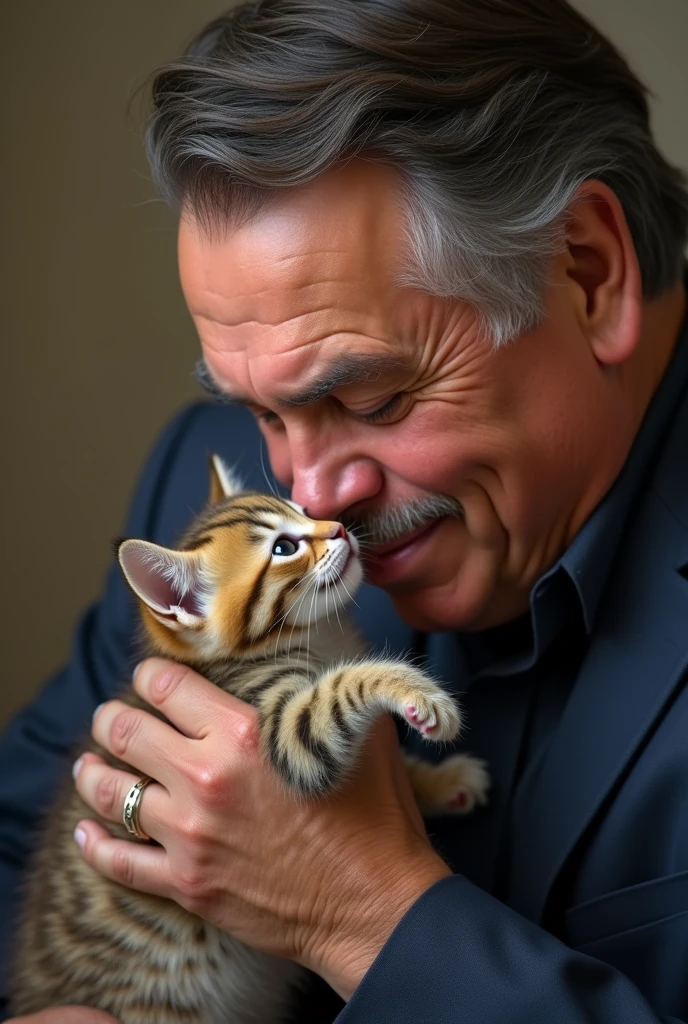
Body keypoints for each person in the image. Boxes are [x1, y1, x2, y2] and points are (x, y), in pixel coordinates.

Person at [3, 0, 688, 1020]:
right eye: (259, 409)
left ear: (586, 272)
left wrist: (361, 912)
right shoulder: (212, 485)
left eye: (370, 399)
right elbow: (22, 843)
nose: (309, 492)